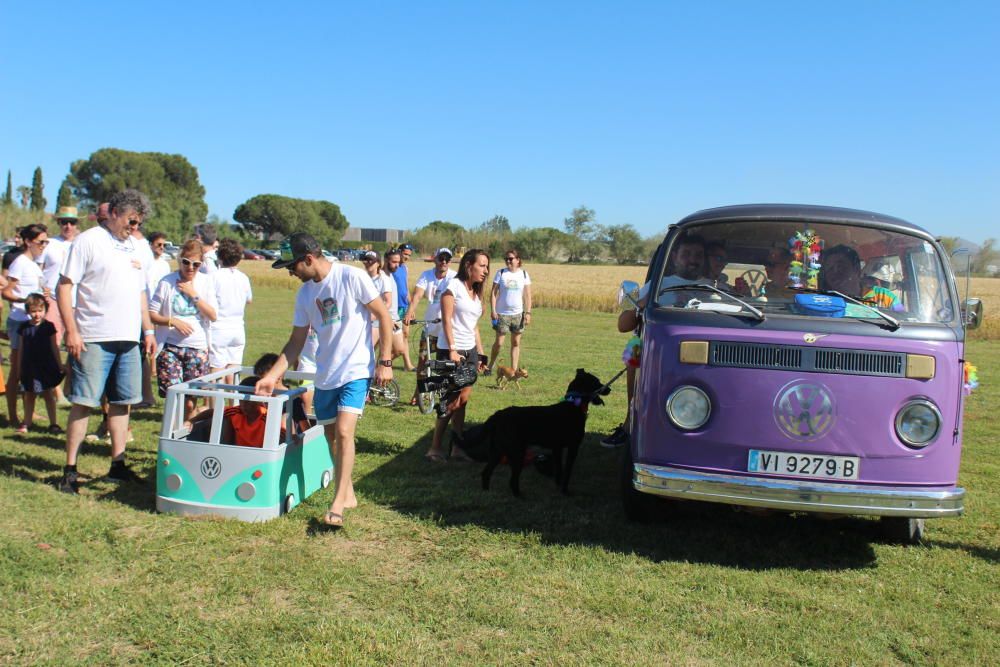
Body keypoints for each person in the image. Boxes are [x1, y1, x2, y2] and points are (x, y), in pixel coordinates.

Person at [255, 233, 394, 529]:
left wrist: (385, 362)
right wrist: (271, 375)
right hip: (325, 374)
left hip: (356, 369)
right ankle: (349, 492)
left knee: (344, 432)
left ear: (308, 259)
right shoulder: (305, 294)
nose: (291, 273)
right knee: (331, 438)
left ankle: (337, 504)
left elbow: (383, 316)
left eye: (293, 266)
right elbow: (295, 341)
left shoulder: (351, 277)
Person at [57, 189, 158, 493]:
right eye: (130, 221)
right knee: (84, 403)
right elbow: (64, 287)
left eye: (138, 223)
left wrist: (149, 330)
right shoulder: (88, 241)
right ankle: (70, 471)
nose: (134, 227)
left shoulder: (137, 248)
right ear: (114, 212)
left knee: (122, 403)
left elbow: (141, 293)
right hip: (94, 338)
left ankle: (118, 465)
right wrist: (72, 331)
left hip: (128, 339)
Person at [602, 234, 705, 447]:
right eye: (686, 254)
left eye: (698, 255)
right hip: (658, 350)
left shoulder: (712, 288)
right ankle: (630, 422)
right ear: (674, 257)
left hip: (698, 351)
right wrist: (646, 301)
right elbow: (623, 325)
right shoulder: (657, 285)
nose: (692, 260)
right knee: (633, 351)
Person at [425, 248, 489, 463]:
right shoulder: (453, 286)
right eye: (482, 265)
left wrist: (480, 354)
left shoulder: (476, 291)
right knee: (450, 401)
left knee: (463, 400)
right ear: (468, 265)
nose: (485, 271)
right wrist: (452, 349)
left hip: (469, 351)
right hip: (450, 351)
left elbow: (474, 327)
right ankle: (434, 447)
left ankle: (457, 448)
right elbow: (447, 319)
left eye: (487, 266)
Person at [148, 240, 218, 422]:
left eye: (196, 264)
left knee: (190, 400)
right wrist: (172, 321)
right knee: (174, 396)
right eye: (186, 262)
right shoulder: (167, 282)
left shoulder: (205, 282)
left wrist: (193, 294)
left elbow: (212, 314)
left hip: (197, 347)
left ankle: (186, 429)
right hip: (171, 346)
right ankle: (172, 431)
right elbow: (152, 314)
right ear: (179, 260)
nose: (191, 268)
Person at [3, 223, 50, 428]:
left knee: (30, 369)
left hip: (33, 323)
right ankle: (12, 415)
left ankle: (28, 414)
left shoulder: (34, 264)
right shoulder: (20, 263)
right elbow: (6, 292)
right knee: (17, 370)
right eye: (41, 242)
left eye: (46, 241)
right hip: (19, 322)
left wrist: (43, 296)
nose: (44, 245)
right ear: (28, 242)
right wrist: (26, 302)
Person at [403, 247, 456, 406]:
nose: (444, 262)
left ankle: (446, 394)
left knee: (445, 364)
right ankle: (419, 392)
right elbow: (418, 295)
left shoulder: (454, 277)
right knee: (422, 362)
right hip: (429, 329)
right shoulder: (426, 275)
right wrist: (410, 311)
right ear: (435, 259)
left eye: (447, 259)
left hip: (447, 330)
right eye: (441, 258)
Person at [187, 376, 284, 447]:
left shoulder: (267, 417)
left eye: (248, 401)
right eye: (241, 401)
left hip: (260, 457)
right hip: (236, 453)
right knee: (222, 421)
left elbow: (282, 434)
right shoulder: (236, 412)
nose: (244, 405)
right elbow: (213, 411)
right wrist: (191, 420)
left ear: (259, 399)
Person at [15, 293, 64, 434]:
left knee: (48, 394)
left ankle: (53, 423)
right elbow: (21, 349)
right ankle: (27, 422)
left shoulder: (49, 327)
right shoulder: (24, 328)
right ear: (28, 311)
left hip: (45, 365)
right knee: (29, 394)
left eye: (40, 311)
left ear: (45, 310)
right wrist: (19, 369)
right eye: (33, 311)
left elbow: (54, 347)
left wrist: (59, 365)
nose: (37, 314)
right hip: (29, 366)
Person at [209, 238, 253, 383]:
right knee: (233, 369)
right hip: (238, 327)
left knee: (216, 370)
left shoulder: (214, 277)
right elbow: (249, 300)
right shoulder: (243, 278)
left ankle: (215, 405)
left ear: (219, 257)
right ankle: (233, 404)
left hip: (219, 327)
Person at [485, 248, 532, 375]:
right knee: (499, 343)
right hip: (502, 314)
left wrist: (528, 313)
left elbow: (527, 295)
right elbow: (493, 293)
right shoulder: (501, 273)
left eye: (511, 258)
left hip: (518, 314)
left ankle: (514, 370)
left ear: (518, 260)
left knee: (516, 342)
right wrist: (493, 310)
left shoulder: (524, 274)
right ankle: (490, 366)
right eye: (506, 259)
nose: (508, 261)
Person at [382, 248, 414, 370]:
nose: (397, 265)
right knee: (384, 348)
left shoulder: (391, 275)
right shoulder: (381, 276)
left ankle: (376, 369)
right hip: (385, 319)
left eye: (398, 262)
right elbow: (380, 302)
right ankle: (375, 370)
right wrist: (388, 318)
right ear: (386, 260)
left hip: (395, 316)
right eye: (394, 262)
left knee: (399, 349)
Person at [393, 243, 413, 342]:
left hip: (404, 307)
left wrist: (411, 308)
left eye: (409, 255)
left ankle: (407, 358)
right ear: (399, 252)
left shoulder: (405, 268)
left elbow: (406, 289)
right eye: (405, 254)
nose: (407, 257)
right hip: (394, 307)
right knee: (393, 336)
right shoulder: (392, 267)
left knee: (405, 334)